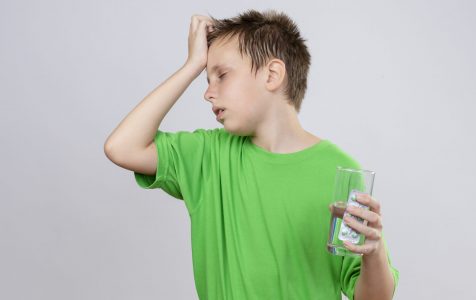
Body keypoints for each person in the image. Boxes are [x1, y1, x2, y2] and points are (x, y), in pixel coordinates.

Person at [104, 9, 399, 300]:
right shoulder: (208, 155)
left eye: (221, 75)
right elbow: (122, 147)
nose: (207, 92)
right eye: (206, 79)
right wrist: (191, 65)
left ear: (272, 74)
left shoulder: (339, 171)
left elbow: (374, 298)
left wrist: (373, 254)